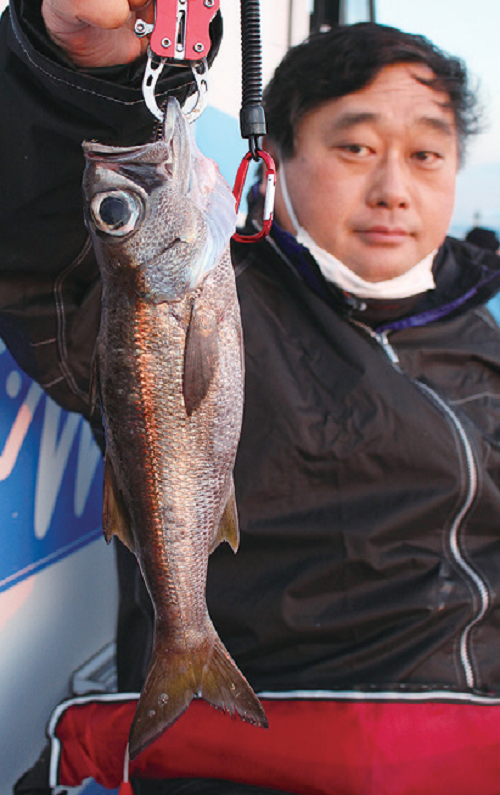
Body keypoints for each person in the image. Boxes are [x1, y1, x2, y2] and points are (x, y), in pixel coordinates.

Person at [3, 2, 500, 793]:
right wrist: (83, 67)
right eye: (356, 146)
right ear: (274, 158)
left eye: (428, 153)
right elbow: (52, 267)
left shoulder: (483, 330)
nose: (393, 188)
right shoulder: (237, 298)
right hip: (274, 758)